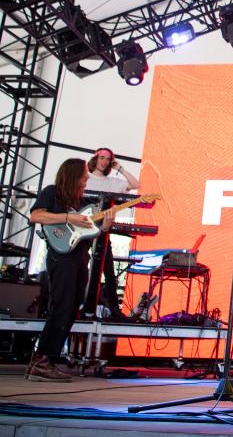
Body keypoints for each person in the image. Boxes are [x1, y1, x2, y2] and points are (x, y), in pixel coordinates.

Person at [26, 158, 113, 382]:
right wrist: (67, 217)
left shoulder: (82, 201)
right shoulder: (52, 193)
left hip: (79, 258)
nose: (86, 178)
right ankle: (42, 360)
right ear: (73, 174)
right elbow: (35, 216)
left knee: (73, 306)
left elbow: (87, 234)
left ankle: (46, 360)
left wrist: (103, 228)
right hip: (60, 258)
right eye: (84, 174)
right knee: (61, 305)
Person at [85, 148, 140, 320]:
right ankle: (83, 307)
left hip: (102, 231)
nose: (104, 161)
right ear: (95, 158)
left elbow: (136, 185)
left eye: (108, 159)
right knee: (82, 268)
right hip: (82, 230)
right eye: (102, 158)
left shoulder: (112, 182)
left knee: (108, 270)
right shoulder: (85, 179)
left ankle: (114, 310)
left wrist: (120, 169)